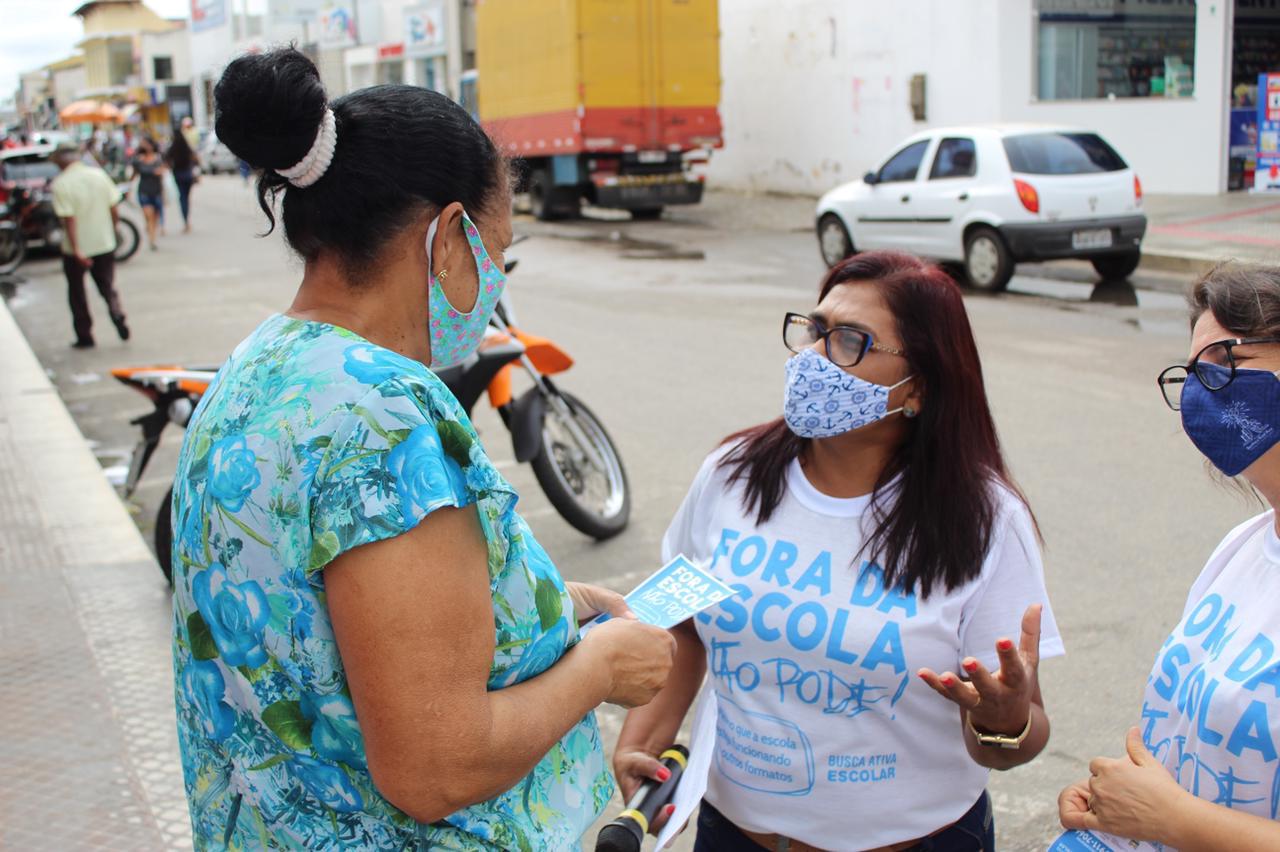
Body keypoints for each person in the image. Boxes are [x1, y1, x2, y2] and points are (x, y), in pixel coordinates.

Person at [170, 47, 676, 850]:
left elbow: (325, 613)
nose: (494, 287)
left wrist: (548, 604)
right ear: (448, 240)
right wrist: (601, 671)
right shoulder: (384, 413)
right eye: (496, 257)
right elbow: (434, 767)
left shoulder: (257, 367)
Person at [615, 251, 1065, 852]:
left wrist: (1003, 722)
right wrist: (643, 738)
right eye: (815, 329)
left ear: (920, 387)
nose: (812, 358)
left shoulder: (983, 519)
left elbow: (1017, 736)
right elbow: (681, 620)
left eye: (849, 341)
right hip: (732, 832)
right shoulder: (730, 474)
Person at [1058, 262, 1280, 850]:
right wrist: (1122, 803)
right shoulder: (1243, 547)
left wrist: (1173, 818)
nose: (1201, 393)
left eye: (1227, 362)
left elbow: (1179, 814)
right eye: (1192, 372)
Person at [50, 140, 128, 348]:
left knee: (77, 293)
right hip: (103, 242)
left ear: (60, 161)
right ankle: (117, 313)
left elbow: (69, 220)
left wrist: (77, 250)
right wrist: (114, 229)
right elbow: (114, 208)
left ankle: (85, 335)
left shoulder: (62, 183)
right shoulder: (99, 175)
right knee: (107, 286)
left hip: (76, 249)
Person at [129, 136, 165, 249]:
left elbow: (162, 173)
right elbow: (133, 175)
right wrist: (127, 188)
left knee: (155, 217)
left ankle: (152, 239)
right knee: (148, 216)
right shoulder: (138, 160)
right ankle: (151, 237)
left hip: (156, 190)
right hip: (144, 191)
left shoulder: (158, 159)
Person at [165, 127, 199, 232]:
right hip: (188, 174)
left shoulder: (172, 148)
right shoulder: (186, 147)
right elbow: (195, 159)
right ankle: (187, 220)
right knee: (186, 198)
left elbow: (166, 161)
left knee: (183, 198)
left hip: (179, 175)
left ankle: (185, 221)